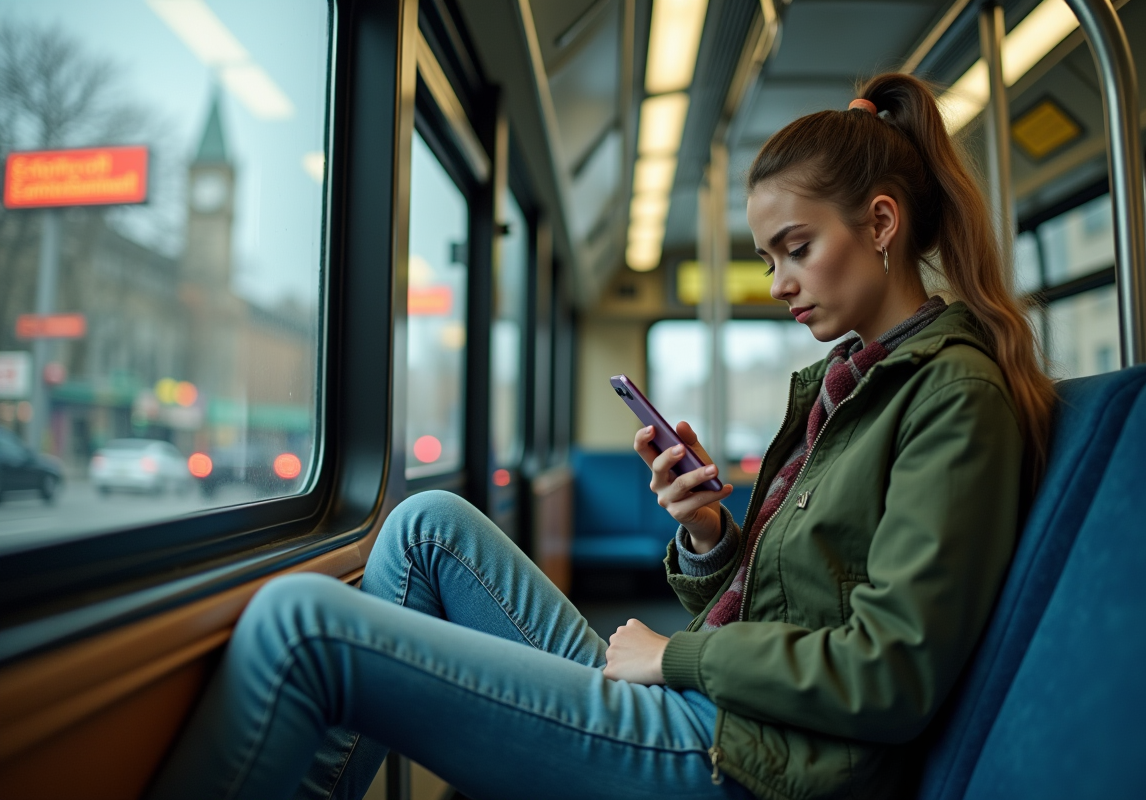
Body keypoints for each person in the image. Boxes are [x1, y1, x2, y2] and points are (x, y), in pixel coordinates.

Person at [146, 72, 1053, 800]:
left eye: (795, 248)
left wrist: (677, 655)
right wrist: (709, 538)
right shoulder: (852, 382)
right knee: (426, 529)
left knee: (300, 624)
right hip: (720, 707)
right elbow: (790, 607)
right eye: (767, 258)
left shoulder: (950, 397)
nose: (777, 282)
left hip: (750, 763)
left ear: (882, 223)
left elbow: (889, 674)